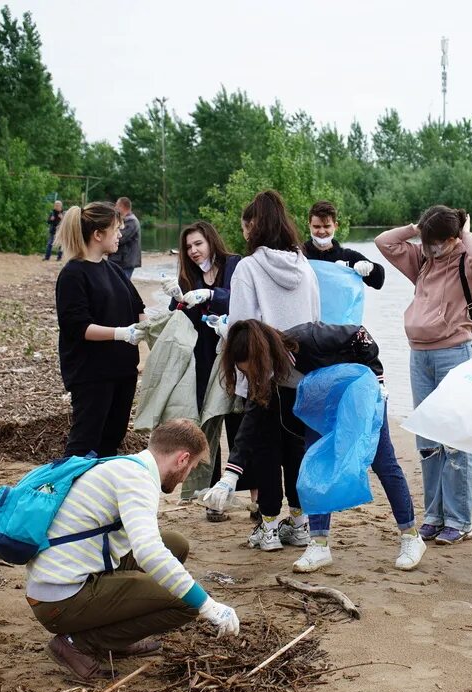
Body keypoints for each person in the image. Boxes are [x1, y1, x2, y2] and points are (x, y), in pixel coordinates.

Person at [26, 419, 240, 680]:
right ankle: (76, 643)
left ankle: (115, 636)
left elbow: (152, 547)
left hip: (62, 578)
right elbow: (149, 553)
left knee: (175, 544)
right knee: (187, 603)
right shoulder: (138, 481)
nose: (186, 477)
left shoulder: (124, 466)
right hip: (59, 601)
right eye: (191, 468)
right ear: (183, 459)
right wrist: (208, 605)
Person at [205, 319, 424, 573]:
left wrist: (378, 379)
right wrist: (230, 476)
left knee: (382, 461)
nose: (253, 376)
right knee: (314, 466)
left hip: (358, 394)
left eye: (253, 369)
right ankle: (319, 544)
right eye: (246, 373)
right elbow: (250, 425)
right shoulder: (264, 376)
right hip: (319, 406)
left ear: (263, 354)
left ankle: (411, 536)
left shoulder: (307, 338)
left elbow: (359, 333)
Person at [375, 206, 472, 545]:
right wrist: (417, 228)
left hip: (454, 353)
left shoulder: (465, 261)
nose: (432, 248)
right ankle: (433, 515)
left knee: (455, 439)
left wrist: (465, 229)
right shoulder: (422, 259)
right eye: (428, 242)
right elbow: (384, 242)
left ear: (454, 239)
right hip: (419, 356)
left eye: (439, 242)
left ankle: (459, 520)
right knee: (427, 439)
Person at [214, 190, 321, 551]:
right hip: (302, 372)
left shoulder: (249, 267)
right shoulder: (304, 265)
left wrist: (238, 372)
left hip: (263, 373)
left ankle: (270, 527)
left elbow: (243, 328)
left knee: (264, 450)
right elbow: (316, 319)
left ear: (255, 226)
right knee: (295, 449)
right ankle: (301, 522)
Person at [161, 221, 245, 522]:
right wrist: (179, 300)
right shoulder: (187, 275)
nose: (194, 251)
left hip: (235, 359)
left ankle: (252, 496)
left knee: (240, 429)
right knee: (207, 429)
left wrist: (212, 296)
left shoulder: (234, 265)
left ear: (211, 240)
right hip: (203, 360)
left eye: (198, 244)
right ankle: (211, 498)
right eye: (188, 247)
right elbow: (177, 318)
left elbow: (241, 299)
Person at [54, 201, 146, 458]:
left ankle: (98, 495)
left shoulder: (114, 270)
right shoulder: (73, 274)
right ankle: (64, 494)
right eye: (116, 229)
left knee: (111, 441)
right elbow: (77, 327)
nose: (119, 235)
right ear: (98, 235)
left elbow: (138, 309)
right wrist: (120, 333)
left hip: (123, 371)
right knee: (84, 442)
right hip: (92, 373)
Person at [303, 200, 386, 290]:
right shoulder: (298, 254)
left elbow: (378, 283)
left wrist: (371, 268)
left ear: (335, 226)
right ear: (309, 226)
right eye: (317, 226)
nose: (322, 231)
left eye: (327, 226)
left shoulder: (348, 256)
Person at [110, 197, 141, 282]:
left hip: (125, 261)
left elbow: (121, 238)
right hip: (121, 260)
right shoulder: (125, 220)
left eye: (116, 205)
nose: (115, 208)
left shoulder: (131, 222)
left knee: (122, 285)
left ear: (122, 206)